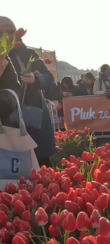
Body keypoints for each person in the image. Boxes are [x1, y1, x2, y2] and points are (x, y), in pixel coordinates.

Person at [9, 38, 56, 167]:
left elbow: (49, 79)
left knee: (39, 161)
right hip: (7, 114)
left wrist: (36, 79)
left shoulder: (29, 54)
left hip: (32, 113)